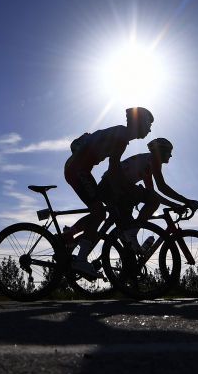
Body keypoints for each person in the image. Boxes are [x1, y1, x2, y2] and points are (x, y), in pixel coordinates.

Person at [63, 106, 154, 276]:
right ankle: (80, 260)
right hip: (78, 170)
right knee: (99, 213)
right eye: (149, 124)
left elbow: (114, 169)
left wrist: (123, 188)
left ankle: (70, 235)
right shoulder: (121, 136)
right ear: (140, 123)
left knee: (99, 211)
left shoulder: (121, 134)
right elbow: (113, 168)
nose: (150, 129)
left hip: (79, 169)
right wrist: (127, 190)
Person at [98, 137, 198, 231]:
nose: (170, 155)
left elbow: (152, 193)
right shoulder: (153, 160)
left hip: (110, 187)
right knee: (151, 204)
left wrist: (174, 204)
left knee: (125, 230)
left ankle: (95, 238)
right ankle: (134, 231)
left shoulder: (146, 163)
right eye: (169, 151)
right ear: (161, 152)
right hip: (112, 187)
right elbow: (162, 187)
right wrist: (186, 201)